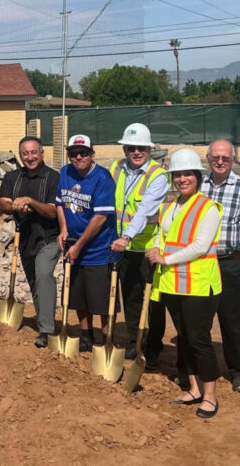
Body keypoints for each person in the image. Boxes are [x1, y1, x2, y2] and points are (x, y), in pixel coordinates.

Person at [146, 148, 222, 419]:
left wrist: (165, 260)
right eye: (177, 175)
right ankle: (193, 388)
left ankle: (210, 396)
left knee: (199, 340)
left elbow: (200, 246)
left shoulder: (208, 208)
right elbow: (160, 235)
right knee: (185, 340)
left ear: (198, 177)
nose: (182, 179)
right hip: (172, 286)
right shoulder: (168, 207)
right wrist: (155, 249)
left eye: (188, 174)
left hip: (200, 286)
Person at [202, 139, 240, 393]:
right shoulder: (198, 186)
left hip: (230, 265)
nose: (219, 161)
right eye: (215, 157)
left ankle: (239, 372)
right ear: (208, 159)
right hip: (201, 263)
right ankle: (197, 370)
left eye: (225, 158)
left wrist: (234, 248)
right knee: (199, 319)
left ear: (233, 160)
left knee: (232, 321)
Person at [108, 123, 168, 365]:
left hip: (147, 247)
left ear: (149, 148)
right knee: (131, 296)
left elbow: (144, 211)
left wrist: (127, 236)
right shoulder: (116, 168)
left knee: (153, 301)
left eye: (141, 147)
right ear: (124, 149)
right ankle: (136, 341)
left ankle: (153, 345)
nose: (136, 152)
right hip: (123, 247)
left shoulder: (157, 176)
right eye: (131, 147)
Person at [56, 134, 118, 352]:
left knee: (100, 300)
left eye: (83, 152)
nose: (78, 156)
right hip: (73, 245)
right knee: (78, 296)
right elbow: (60, 203)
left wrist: (79, 246)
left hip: (98, 249)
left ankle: (104, 338)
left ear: (93, 153)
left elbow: (100, 218)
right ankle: (85, 335)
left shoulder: (103, 178)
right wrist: (63, 230)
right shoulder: (65, 172)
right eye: (73, 153)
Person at [0, 136, 60, 348]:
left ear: (42, 154)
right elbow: (4, 203)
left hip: (49, 237)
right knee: (34, 282)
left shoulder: (53, 178)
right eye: (25, 153)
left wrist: (31, 202)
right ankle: (46, 319)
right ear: (20, 155)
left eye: (34, 152)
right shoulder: (12, 177)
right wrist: (15, 205)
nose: (30, 157)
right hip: (24, 238)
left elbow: (52, 211)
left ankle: (46, 330)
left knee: (44, 274)